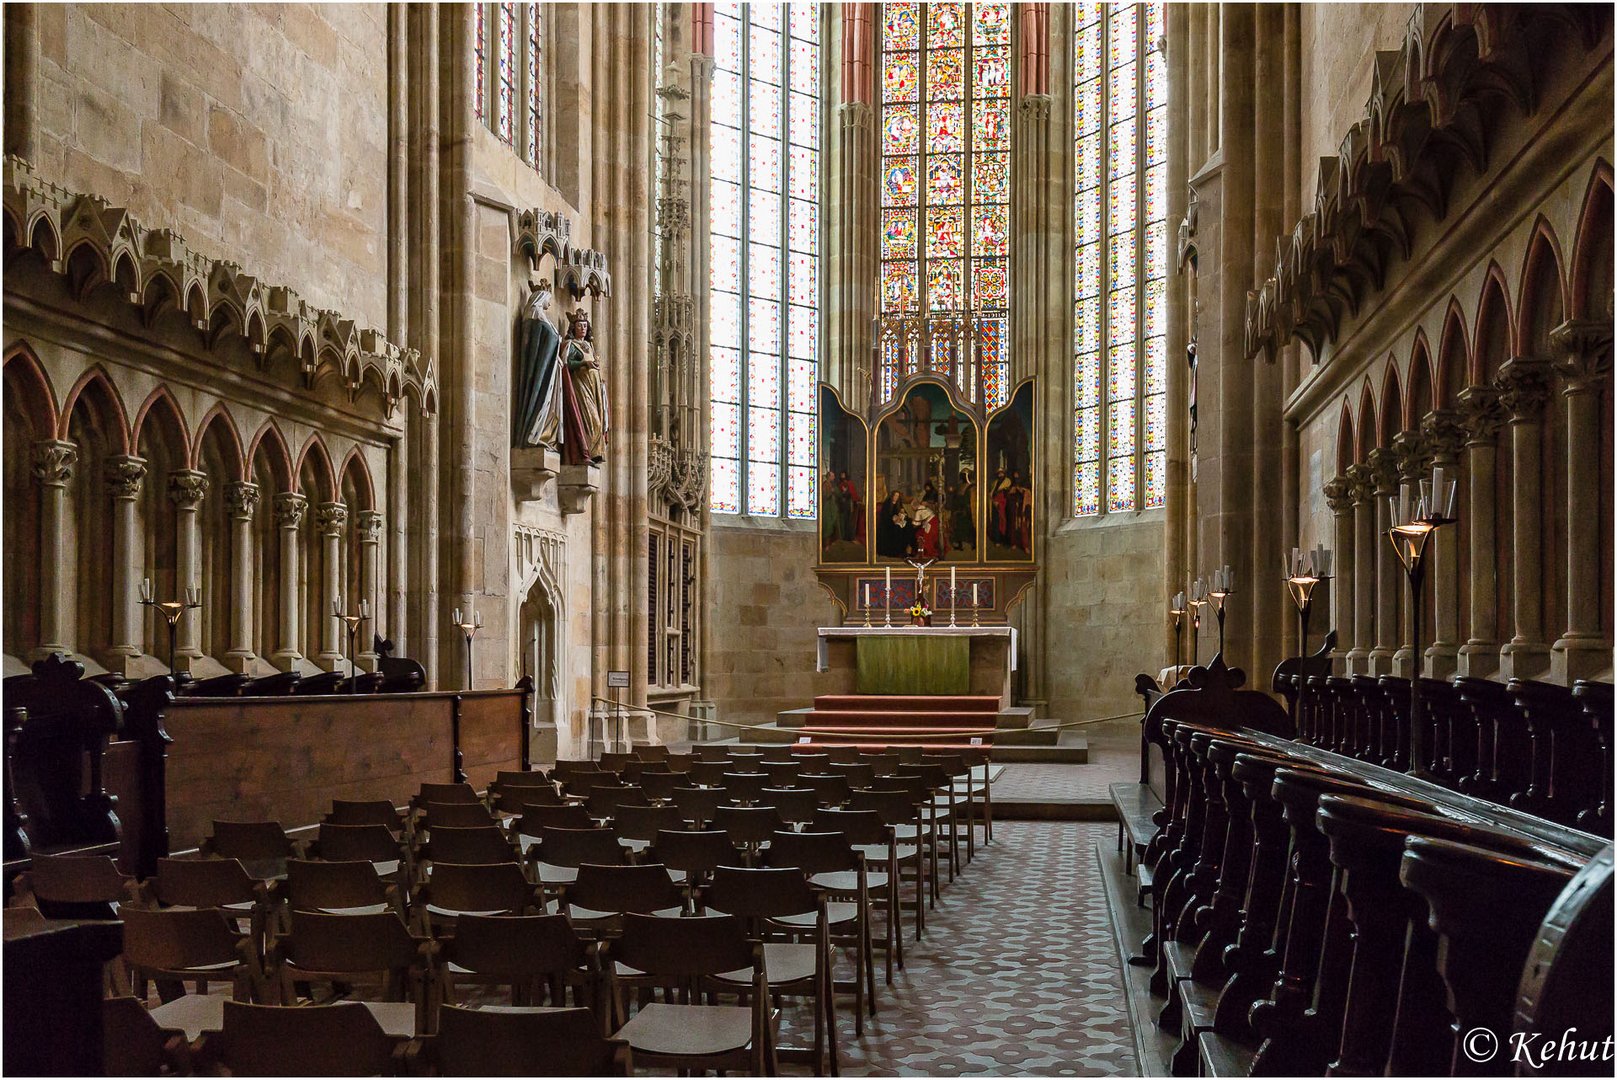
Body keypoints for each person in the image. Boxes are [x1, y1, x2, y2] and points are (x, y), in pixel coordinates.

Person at [511, 284, 562, 449]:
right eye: (549, 299)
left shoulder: (540, 317)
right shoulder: (535, 316)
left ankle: (541, 434)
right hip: (540, 368)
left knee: (549, 402)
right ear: (542, 297)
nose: (550, 303)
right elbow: (541, 343)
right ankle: (531, 433)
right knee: (539, 395)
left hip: (549, 366)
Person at [560, 308, 609, 464]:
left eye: (585, 326)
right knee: (590, 418)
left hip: (592, 387)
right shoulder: (570, 345)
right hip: (579, 386)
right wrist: (584, 363)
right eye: (579, 325)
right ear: (573, 327)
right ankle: (584, 451)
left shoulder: (589, 345)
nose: (582, 328)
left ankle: (595, 452)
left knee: (598, 419)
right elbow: (566, 364)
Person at [877, 490, 911, 558]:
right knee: (896, 529)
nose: (896, 497)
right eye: (895, 495)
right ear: (892, 496)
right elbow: (884, 516)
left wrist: (903, 513)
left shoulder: (899, 503)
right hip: (887, 524)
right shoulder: (887, 503)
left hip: (897, 523)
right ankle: (892, 551)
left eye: (897, 496)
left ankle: (901, 550)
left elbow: (904, 513)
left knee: (907, 526)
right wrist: (893, 519)